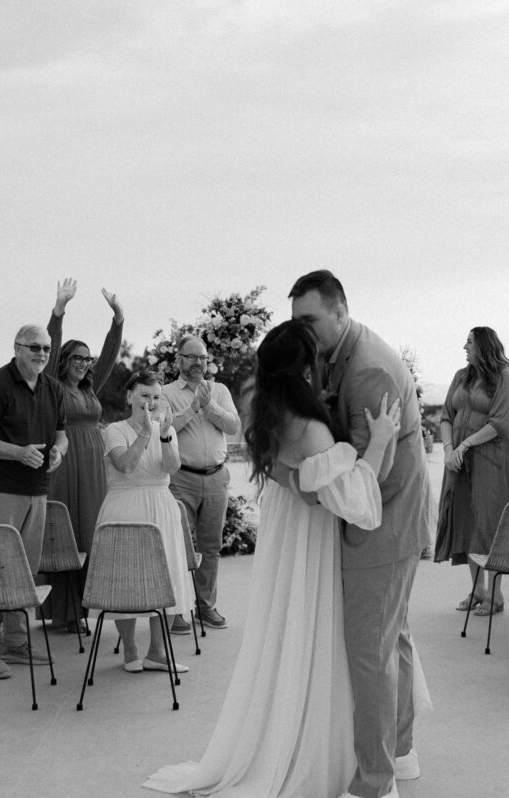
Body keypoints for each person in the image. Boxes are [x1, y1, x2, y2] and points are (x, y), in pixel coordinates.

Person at [144, 320, 403, 797]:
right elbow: (357, 504)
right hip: (309, 540)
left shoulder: (264, 409)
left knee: (286, 632)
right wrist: (382, 438)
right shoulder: (308, 427)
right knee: (308, 630)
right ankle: (308, 747)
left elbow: (299, 483)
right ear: (307, 367)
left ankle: (282, 734)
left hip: (286, 535)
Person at [289, 270, 429, 798]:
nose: (303, 331)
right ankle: (401, 749)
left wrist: (309, 481)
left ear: (341, 311)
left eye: (310, 320)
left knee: (371, 649)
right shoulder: (340, 352)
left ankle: (375, 781)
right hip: (394, 518)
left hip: (384, 522)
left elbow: (375, 478)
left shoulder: (368, 370)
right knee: (393, 636)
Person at [0, 323, 68, 680]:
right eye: (33, 347)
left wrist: (58, 452)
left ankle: (17, 641)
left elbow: (62, 435)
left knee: (25, 570)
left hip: (37, 490)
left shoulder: (53, 388)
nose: (41, 354)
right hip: (1, 490)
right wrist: (17, 453)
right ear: (17, 348)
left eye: (45, 348)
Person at [98, 371, 195, 675]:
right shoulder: (114, 430)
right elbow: (125, 465)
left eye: (155, 397)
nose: (150, 403)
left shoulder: (166, 430)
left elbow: (171, 467)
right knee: (124, 579)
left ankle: (158, 652)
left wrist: (164, 435)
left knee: (166, 576)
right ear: (130, 396)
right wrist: (144, 432)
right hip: (124, 505)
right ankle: (130, 648)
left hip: (160, 505)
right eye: (144, 395)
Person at [41, 278, 123, 633]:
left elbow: (108, 357)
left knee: (91, 533)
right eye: (76, 358)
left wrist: (118, 320)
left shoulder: (91, 388)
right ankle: (66, 614)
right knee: (66, 535)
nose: (84, 364)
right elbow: (50, 345)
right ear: (63, 361)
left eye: (86, 359)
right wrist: (59, 311)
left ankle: (86, 609)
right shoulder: (53, 387)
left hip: (93, 469)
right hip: (65, 467)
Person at [433, 327, 509, 616]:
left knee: (490, 522)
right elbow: (447, 414)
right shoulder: (462, 376)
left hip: (492, 460)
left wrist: (466, 444)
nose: (465, 346)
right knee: (466, 521)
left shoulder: (504, 377)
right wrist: (449, 449)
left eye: (469, 342)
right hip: (459, 460)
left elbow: (502, 424)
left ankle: (495, 596)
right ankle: (477, 589)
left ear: (483, 345)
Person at [162, 335, 242, 633]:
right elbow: (164, 429)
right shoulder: (167, 393)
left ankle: (205, 607)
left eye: (203, 358)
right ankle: (179, 610)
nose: (199, 363)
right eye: (192, 357)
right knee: (179, 545)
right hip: (182, 478)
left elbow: (234, 426)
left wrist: (209, 408)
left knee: (210, 547)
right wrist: (194, 408)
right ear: (179, 360)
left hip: (217, 477)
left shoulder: (219, 390)